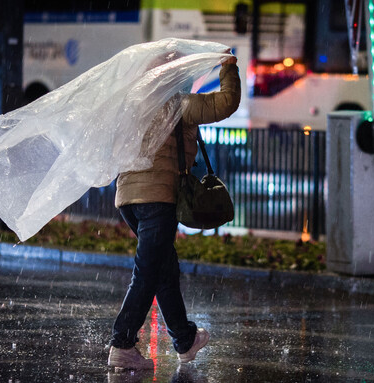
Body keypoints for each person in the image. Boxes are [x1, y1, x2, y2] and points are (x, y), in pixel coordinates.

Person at [108, 53, 241, 370]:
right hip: (158, 198)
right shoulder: (176, 103)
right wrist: (228, 67)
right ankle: (122, 343)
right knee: (147, 273)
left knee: (163, 271)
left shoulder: (132, 106)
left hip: (128, 198)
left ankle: (185, 339)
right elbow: (226, 103)